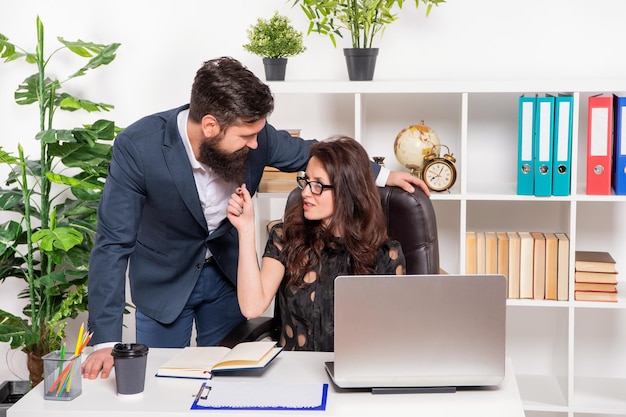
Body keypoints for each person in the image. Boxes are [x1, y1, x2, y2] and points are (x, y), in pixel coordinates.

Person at [82, 57, 427, 379]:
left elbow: (319, 156)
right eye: (246, 136)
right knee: (159, 382)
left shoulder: (256, 137)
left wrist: (379, 175)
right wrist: (105, 342)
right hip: (164, 279)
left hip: (228, 277)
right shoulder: (138, 147)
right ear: (210, 125)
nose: (255, 145)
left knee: (227, 381)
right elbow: (113, 244)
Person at [227, 136, 406, 351]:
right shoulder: (286, 237)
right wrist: (246, 229)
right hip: (293, 373)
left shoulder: (386, 253)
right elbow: (251, 307)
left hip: (352, 375)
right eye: (306, 181)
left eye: (318, 185)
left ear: (347, 190)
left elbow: (393, 335)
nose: (305, 192)